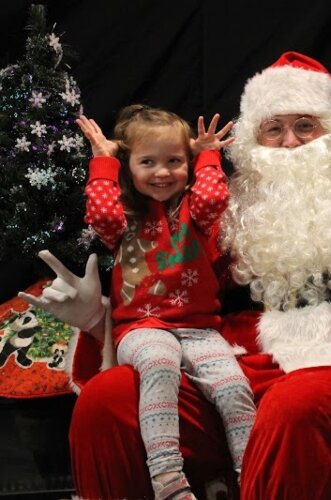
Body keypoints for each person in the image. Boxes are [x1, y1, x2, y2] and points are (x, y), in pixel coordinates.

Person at [29, 52, 331, 500]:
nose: (289, 143)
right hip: (241, 369)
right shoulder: (226, 214)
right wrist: (96, 322)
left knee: (293, 405)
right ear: (253, 139)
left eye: (305, 125)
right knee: (109, 400)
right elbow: (167, 296)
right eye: (273, 128)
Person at [74, 105, 252, 499]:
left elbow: (211, 196)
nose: (162, 172)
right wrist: (105, 161)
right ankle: (167, 477)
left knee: (232, 386)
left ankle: (252, 477)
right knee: (158, 364)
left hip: (200, 330)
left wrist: (207, 153)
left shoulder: (196, 212)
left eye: (174, 161)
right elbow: (100, 212)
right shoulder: (123, 215)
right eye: (148, 162)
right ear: (129, 166)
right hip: (141, 328)